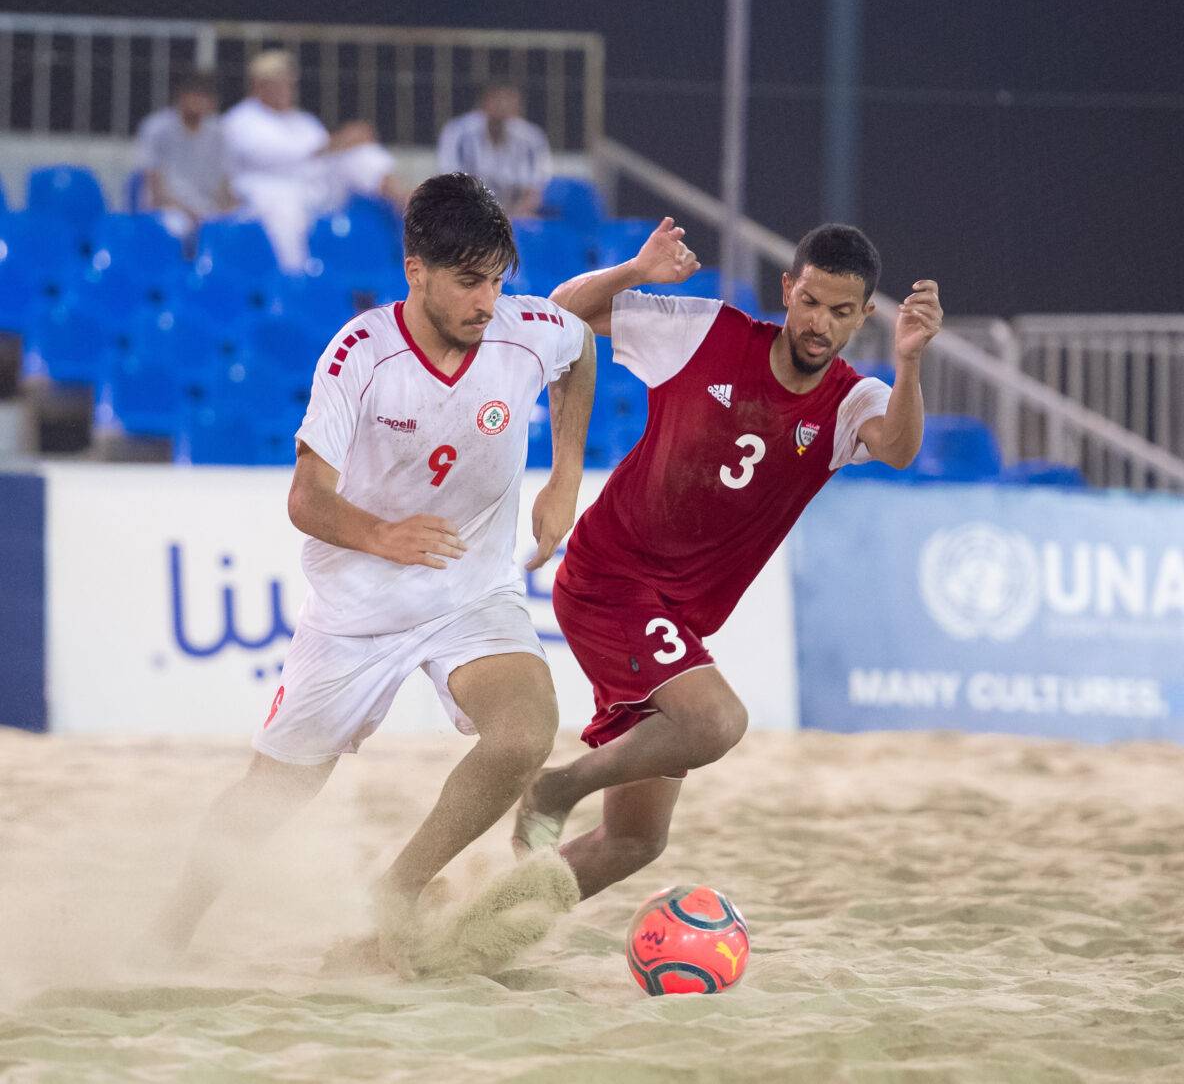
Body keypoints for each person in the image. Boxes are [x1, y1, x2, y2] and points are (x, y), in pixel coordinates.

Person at [156, 173, 597, 968]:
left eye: (497, 280)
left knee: (525, 732)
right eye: (469, 281)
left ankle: (397, 891)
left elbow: (582, 347)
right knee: (274, 790)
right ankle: (169, 930)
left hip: (470, 592)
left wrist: (566, 475)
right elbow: (306, 497)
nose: (487, 301)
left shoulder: (525, 329)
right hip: (355, 606)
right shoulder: (360, 353)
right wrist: (380, 533)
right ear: (415, 269)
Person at [512, 219, 943, 900]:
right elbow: (560, 311)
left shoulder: (850, 401)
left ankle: (482, 930)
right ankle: (555, 785)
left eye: (839, 312)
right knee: (715, 721)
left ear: (864, 317)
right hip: (611, 579)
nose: (819, 324)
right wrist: (635, 270)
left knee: (635, 840)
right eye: (809, 302)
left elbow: (897, 445)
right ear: (787, 289)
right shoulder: (707, 333)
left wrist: (912, 360)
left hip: (675, 623)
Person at [221, 49, 409, 271]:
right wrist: (338, 141)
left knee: (361, 154)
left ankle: (410, 203)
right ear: (259, 85)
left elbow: (325, 153)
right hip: (266, 190)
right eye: (277, 81)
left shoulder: (302, 120)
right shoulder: (242, 118)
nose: (286, 87)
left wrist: (348, 143)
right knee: (285, 209)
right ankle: (295, 279)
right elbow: (272, 156)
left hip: (313, 188)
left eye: (288, 81)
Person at [134, 70, 237, 236]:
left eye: (205, 97)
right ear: (181, 96)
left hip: (208, 209)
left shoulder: (220, 132)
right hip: (168, 209)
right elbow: (154, 184)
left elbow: (226, 182)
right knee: (177, 227)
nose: (199, 102)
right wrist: (188, 212)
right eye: (195, 95)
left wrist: (227, 210)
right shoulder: (157, 128)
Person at [437, 81, 551, 217]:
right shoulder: (457, 132)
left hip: (516, 214)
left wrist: (513, 215)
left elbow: (537, 187)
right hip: (467, 212)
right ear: (483, 102)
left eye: (508, 99)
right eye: (497, 98)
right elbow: (450, 181)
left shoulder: (531, 137)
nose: (502, 105)